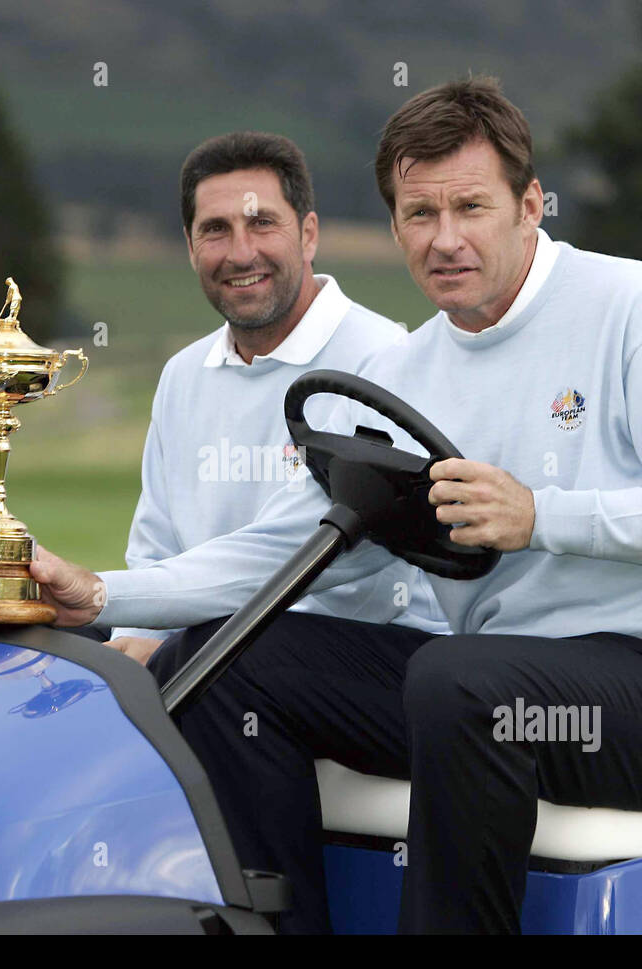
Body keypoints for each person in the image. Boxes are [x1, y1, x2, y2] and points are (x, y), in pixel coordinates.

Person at [0, 76, 642, 934]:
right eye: (419, 216)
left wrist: (541, 515)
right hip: (483, 685)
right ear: (392, 227)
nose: (446, 239)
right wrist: (99, 596)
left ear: (531, 205)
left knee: (462, 681)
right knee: (230, 661)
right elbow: (279, 554)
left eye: (472, 207)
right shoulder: (400, 374)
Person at [102, 131, 447, 666]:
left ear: (308, 234)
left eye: (262, 223)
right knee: (41, 646)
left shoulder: (387, 358)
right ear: (191, 247)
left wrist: (150, 633)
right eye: (216, 230)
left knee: (221, 657)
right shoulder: (183, 374)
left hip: (365, 654)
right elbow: (155, 547)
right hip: (213, 642)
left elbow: (316, 564)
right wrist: (129, 638)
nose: (242, 253)